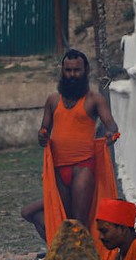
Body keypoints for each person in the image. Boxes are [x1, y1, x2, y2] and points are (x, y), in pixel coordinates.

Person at [20, 49, 119, 248]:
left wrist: (109, 135)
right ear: (62, 71)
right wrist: (42, 136)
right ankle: (62, 253)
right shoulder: (53, 100)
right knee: (62, 220)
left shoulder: (94, 100)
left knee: (79, 222)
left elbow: (112, 126)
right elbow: (43, 133)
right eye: (68, 70)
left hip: (83, 167)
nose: (72, 75)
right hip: (58, 169)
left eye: (76, 70)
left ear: (86, 70)